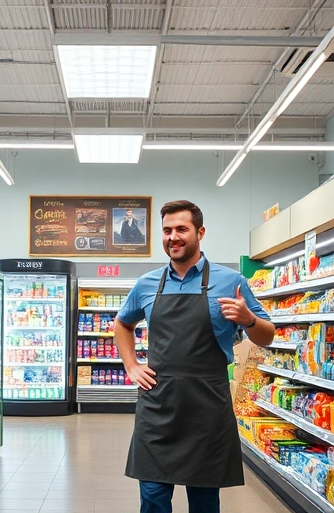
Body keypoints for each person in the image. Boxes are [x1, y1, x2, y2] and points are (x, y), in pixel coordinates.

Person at [115, 200, 275, 513]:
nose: (173, 237)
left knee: (204, 502)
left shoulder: (231, 282)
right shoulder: (146, 284)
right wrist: (131, 365)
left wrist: (249, 319)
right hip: (158, 405)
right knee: (152, 497)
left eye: (181, 229)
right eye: (167, 230)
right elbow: (123, 324)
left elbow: (267, 336)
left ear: (200, 232)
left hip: (207, 408)